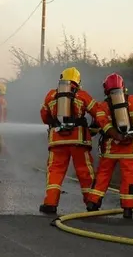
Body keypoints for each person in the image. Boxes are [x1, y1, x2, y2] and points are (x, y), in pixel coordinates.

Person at [86, 73, 133, 219]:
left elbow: (101, 125)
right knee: (128, 178)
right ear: (123, 87)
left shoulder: (102, 106)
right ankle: (128, 209)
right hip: (130, 150)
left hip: (111, 150)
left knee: (103, 176)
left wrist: (113, 135)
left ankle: (93, 203)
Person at [39, 67, 99, 215]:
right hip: (79, 141)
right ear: (78, 81)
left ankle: (50, 204)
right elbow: (98, 113)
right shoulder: (82, 95)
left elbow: (44, 117)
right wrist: (94, 129)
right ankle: (91, 202)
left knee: (55, 172)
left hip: (57, 142)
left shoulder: (51, 95)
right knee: (84, 171)